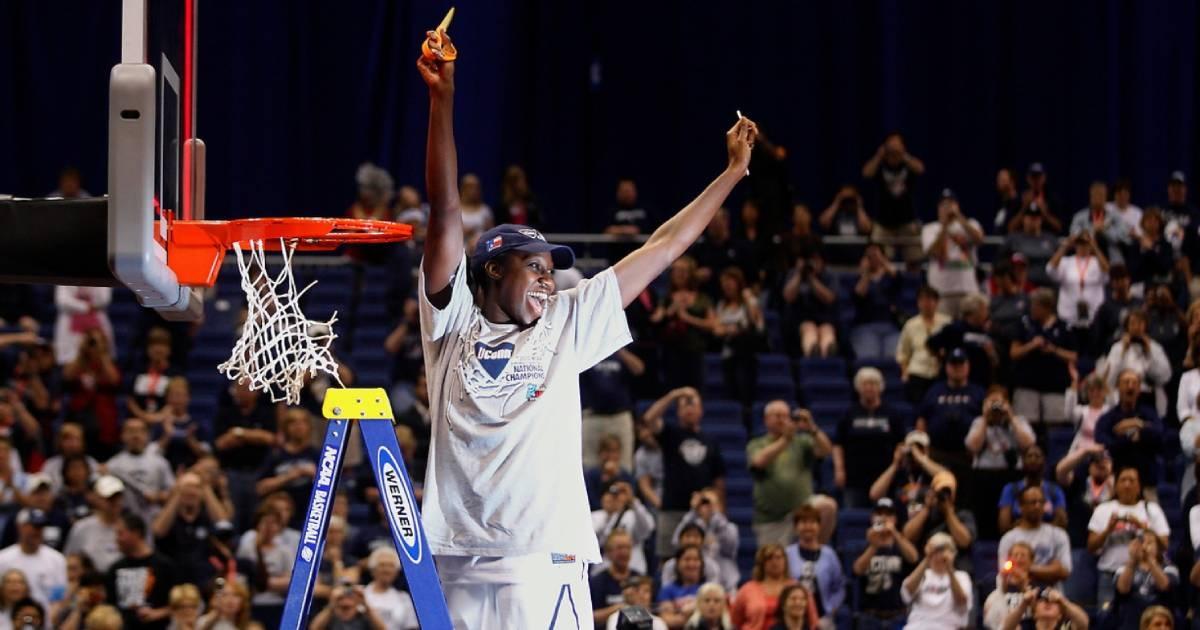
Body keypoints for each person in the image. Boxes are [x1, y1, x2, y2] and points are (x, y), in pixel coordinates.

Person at [416, 42, 757, 629]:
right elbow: (445, 211)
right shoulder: (450, 319)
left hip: (543, 555)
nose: (550, 282)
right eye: (538, 268)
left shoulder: (568, 320)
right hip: (457, 556)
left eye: (553, 270)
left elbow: (664, 246)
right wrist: (442, 101)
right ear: (495, 269)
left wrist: (731, 175)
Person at [644, 387, 727, 557]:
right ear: (679, 411)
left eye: (693, 404)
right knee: (667, 558)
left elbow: (718, 480)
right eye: (685, 405)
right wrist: (673, 395)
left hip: (702, 512)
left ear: (701, 410)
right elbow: (649, 419)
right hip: (672, 509)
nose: (689, 408)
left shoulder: (710, 441)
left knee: (701, 558)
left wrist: (720, 510)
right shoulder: (671, 434)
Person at [749, 402, 835, 546]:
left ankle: (816, 550)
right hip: (772, 518)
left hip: (802, 510)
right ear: (766, 420)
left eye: (785, 416)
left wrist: (812, 428)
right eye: (777, 416)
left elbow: (826, 450)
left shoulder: (801, 442)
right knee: (772, 562)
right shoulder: (757, 443)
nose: (782, 419)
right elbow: (759, 461)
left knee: (828, 507)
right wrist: (785, 440)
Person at [1087, 466, 1170, 610]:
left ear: (1139, 486)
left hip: (1144, 576)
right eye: (1123, 480)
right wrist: (1109, 529)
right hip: (1109, 573)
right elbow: (1091, 547)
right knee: (1106, 619)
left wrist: (1141, 526)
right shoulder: (1103, 509)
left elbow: (1164, 545)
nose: (1127, 484)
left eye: (1132, 480)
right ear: (1116, 486)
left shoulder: (1151, 509)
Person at [965, 390, 1037, 539]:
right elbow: (972, 446)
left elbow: (1029, 443)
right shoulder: (979, 422)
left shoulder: (1018, 420)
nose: (996, 407)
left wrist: (1010, 417)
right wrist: (986, 418)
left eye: (1000, 402)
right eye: (992, 402)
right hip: (984, 478)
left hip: (1011, 477)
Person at [834, 368, 905, 509]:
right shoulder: (849, 413)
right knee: (854, 518)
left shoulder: (891, 413)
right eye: (865, 384)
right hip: (854, 479)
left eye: (873, 384)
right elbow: (838, 444)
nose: (869, 388)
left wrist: (895, 468)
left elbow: (900, 443)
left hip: (884, 479)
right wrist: (839, 469)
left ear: (880, 387)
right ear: (858, 388)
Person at [151, 471, 231, 588]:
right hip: (174, 581)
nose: (191, 491)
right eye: (186, 488)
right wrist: (176, 495)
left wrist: (206, 489)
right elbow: (158, 531)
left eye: (196, 488)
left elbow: (223, 523)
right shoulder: (170, 517)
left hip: (204, 581)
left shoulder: (207, 516)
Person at [1010, 288, 1076, 426]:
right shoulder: (1025, 323)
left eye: (1035, 305)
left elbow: (1073, 356)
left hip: (1055, 385)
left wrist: (1054, 350)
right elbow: (1014, 353)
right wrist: (1032, 345)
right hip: (1027, 384)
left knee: (1055, 425)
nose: (1032, 309)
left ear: (1047, 307)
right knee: (1026, 424)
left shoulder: (1064, 326)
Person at [916, 349, 985, 478]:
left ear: (968, 366)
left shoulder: (978, 392)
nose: (957, 368)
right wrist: (923, 447)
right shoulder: (934, 391)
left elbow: (986, 421)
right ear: (947, 367)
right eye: (953, 364)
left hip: (967, 455)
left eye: (961, 364)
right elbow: (922, 419)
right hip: (937, 453)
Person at [851, 498, 918, 629]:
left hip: (897, 616)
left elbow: (914, 558)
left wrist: (895, 533)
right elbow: (857, 570)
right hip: (870, 617)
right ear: (872, 518)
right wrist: (873, 546)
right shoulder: (864, 545)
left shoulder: (901, 546)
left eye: (888, 514)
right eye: (879, 514)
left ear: (895, 519)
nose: (884, 518)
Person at [105, 512, 177, 630]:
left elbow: (181, 604)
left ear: (136, 533)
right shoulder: (115, 569)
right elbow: (110, 607)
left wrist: (157, 613)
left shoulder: (165, 566)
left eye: (120, 533)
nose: (117, 539)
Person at [862, 133, 926, 266]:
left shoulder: (907, 164)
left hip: (907, 219)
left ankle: (913, 284)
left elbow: (920, 169)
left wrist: (904, 155)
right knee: (878, 257)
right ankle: (883, 283)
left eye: (897, 144)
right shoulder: (880, 165)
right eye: (891, 144)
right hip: (883, 221)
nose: (894, 148)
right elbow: (866, 173)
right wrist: (879, 156)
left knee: (915, 259)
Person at [652, 256, 715, 389]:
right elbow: (656, 320)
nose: (679, 274)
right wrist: (670, 310)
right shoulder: (666, 298)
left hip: (695, 351)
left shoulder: (702, 298)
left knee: (696, 390)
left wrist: (687, 318)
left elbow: (712, 324)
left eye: (683, 271)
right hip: (672, 352)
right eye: (676, 270)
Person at [1095, 370, 1164, 491]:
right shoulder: (1108, 418)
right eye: (1126, 382)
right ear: (1118, 386)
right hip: (1115, 482)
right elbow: (1103, 443)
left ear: (1139, 388)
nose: (1130, 386)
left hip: (1146, 483)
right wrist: (1132, 437)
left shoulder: (1149, 414)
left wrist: (1136, 424)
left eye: (1134, 383)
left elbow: (1159, 435)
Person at [921, 189, 984, 318]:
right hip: (941, 293)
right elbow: (933, 251)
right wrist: (944, 226)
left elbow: (979, 239)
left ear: (957, 206)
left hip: (968, 291)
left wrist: (959, 217)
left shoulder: (970, 223)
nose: (947, 207)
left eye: (951, 203)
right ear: (938, 208)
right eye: (944, 204)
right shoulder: (930, 229)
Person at [255, 408, 319, 531]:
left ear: (309, 427)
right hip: (279, 520)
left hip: (309, 517)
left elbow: (332, 488)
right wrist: (290, 476)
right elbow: (260, 488)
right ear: (286, 428)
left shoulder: (317, 455)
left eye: (302, 422)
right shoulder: (276, 455)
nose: (298, 427)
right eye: (293, 423)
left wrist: (314, 475)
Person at [997, 485, 1072, 589]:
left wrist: (1026, 568)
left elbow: (1064, 572)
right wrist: (1051, 570)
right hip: (1018, 596)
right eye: (1032, 502)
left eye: (1041, 502)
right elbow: (1007, 575)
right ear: (1021, 506)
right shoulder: (1009, 539)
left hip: (1052, 598)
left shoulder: (1058, 534)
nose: (1037, 506)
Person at [581, 350, 644, 472]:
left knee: (624, 466)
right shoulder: (588, 349)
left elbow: (639, 369)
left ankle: (624, 490)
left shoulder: (619, 351)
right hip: (592, 417)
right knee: (589, 465)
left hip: (620, 416)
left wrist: (618, 348)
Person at [1099, 311, 1171, 417]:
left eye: (1140, 323)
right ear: (1127, 326)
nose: (1137, 327)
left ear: (1145, 326)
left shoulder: (1155, 348)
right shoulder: (1117, 348)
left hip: (1148, 396)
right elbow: (1109, 379)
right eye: (1133, 323)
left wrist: (1150, 353)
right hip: (1122, 396)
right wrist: (1122, 352)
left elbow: (1165, 377)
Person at [902, 471, 977, 572]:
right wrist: (927, 508)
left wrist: (948, 512)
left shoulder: (964, 514)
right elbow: (907, 536)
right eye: (941, 491)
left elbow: (964, 541)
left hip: (958, 570)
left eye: (947, 492)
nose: (944, 495)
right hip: (928, 571)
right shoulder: (925, 513)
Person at [104, 417, 175, 523]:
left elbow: (172, 492)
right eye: (131, 431)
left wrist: (157, 497)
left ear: (147, 435)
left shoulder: (160, 462)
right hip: (125, 522)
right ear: (122, 436)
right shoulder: (113, 465)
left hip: (155, 519)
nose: (136, 435)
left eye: (140, 431)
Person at [783, 506, 844, 626]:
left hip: (823, 619)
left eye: (812, 522)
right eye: (803, 522)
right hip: (793, 621)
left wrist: (831, 607)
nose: (808, 527)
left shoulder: (829, 554)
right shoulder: (787, 554)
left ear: (819, 526)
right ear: (796, 527)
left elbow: (839, 586)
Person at [712, 266, 764, 407]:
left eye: (730, 282)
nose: (726, 285)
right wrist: (730, 329)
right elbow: (717, 330)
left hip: (746, 352)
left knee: (745, 389)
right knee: (731, 390)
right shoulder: (722, 305)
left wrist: (749, 299)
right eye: (724, 282)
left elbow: (757, 324)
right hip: (728, 352)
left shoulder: (749, 302)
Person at [900, 532, 972, 630]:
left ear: (953, 553)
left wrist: (949, 568)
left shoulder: (961, 576)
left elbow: (962, 602)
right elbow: (907, 592)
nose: (939, 555)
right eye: (936, 551)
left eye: (943, 550)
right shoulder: (923, 574)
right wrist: (927, 558)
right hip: (918, 625)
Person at [869, 430, 948, 519]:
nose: (914, 452)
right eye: (911, 448)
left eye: (920, 448)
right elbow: (874, 495)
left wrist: (921, 458)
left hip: (929, 523)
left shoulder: (933, 471)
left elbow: (947, 476)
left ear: (927, 450)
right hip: (902, 522)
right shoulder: (898, 472)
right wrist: (895, 465)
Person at [1108, 530, 1179, 629]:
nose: (1144, 546)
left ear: (1158, 547)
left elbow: (1165, 587)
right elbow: (1122, 590)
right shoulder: (1124, 569)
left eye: (1149, 542)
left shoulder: (1169, 568)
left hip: (1159, 621)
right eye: (1141, 542)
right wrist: (1132, 561)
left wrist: (1150, 560)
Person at [925, 297, 998, 389]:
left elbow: (995, 361)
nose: (987, 314)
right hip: (953, 384)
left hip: (979, 384)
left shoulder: (988, 332)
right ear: (974, 312)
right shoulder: (954, 329)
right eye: (984, 310)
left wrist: (991, 354)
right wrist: (942, 358)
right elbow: (930, 343)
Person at [0, 508, 66, 609]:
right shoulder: (3, 558)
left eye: (41, 527)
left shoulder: (57, 559)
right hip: (8, 620)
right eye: (34, 526)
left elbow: (59, 597)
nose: (37, 531)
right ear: (20, 527)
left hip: (47, 620)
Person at [238, 507, 293, 628]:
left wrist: (265, 582)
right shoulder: (248, 548)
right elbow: (241, 578)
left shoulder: (284, 551)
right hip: (253, 604)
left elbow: (291, 581)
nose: (269, 527)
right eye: (265, 522)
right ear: (258, 525)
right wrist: (276, 580)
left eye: (273, 523)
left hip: (277, 604)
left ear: (279, 527)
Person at [1046, 231, 1110, 332]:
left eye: (1086, 244)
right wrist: (1065, 247)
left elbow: (1107, 273)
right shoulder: (1066, 261)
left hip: (1094, 316)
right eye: (1080, 243)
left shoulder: (1097, 262)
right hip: (1068, 315)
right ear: (1075, 245)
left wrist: (1095, 248)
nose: (1083, 247)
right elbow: (1050, 270)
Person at [895, 286, 950, 404]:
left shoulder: (947, 322)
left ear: (937, 302)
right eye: (923, 300)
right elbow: (903, 353)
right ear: (918, 303)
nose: (927, 304)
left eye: (930, 300)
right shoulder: (910, 325)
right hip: (918, 372)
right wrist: (905, 373)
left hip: (940, 372)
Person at [781, 251, 838, 357]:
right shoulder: (793, 274)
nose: (812, 263)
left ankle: (828, 358)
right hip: (800, 320)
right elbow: (788, 297)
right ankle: (813, 356)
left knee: (827, 330)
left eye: (816, 260)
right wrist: (799, 273)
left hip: (825, 319)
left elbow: (829, 298)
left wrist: (812, 278)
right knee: (809, 329)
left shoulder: (829, 275)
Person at [63, 475, 125, 573]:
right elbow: (70, 560)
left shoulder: (130, 527)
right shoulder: (81, 528)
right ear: (97, 498)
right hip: (91, 583)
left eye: (118, 497)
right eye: (109, 498)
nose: (115, 502)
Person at [591, 480, 654, 575]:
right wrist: (608, 516)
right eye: (610, 495)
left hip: (633, 568)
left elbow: (648, 528)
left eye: (618, 495)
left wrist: (633, 501)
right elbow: (590, 540)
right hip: (603, 570)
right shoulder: (596, 516)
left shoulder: (632, 515)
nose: (614, 499)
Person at [850, 244, 901, 360]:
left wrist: (881, 260)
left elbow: (898, 278)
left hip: (890, 327)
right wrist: (866, 272)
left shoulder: (889, 278)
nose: (873, 259)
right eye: (869, 256)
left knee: (893, 359)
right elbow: (858, 295)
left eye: (876, 255)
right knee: (869, 359)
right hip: (865, 327)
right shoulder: (857, 279)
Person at [731, 545, 794, 630]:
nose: (774, 562)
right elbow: (735, 621)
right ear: (762, 563)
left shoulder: (795, 588)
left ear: (785, 561)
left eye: (778, 557)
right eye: (769, 558)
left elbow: (812, 621)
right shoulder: (747, 589)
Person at [590, 530, 641, 628]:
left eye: (627, 547)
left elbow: (650, 609)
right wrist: (618, 609)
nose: (624, 552)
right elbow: (590, 616)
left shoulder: (639, 579)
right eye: (620, 548)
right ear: (608, 553)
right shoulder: (597, 582)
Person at [1069, 181, 1131, 260]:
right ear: (1090, 197)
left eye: (1101, 195)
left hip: (1111, 258)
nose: (1098, 198)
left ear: (1106, 197)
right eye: (1095, 195)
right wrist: (1092, 229)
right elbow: (1074, 235)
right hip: (1086, 257)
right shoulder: (1079, 216)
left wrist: (1104, 230)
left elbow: (1122, 236)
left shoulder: (1115, 216)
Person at [361, 548, 418, 630]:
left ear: (397, 571)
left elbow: (411, 627)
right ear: (372, 570)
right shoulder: (361, 595)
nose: (386, 570)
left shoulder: (404, 598)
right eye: (382, 565)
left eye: (391, 566)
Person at [983, 541, 1035, 630]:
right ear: (1009, 559)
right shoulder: (995, 585)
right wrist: (1003, 584)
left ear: (1031, 561)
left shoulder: (1038, 587)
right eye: (1015, 555)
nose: (1018, 559)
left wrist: (1024, 585)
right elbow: (989, 622)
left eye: (1023, 555)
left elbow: (1038, 614)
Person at [1004, 204, 1058, 287]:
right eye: (1030, 217)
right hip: (1022, 286)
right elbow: (1001, 262)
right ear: (1023, 219)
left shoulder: (1050, 239)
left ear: (1041, 219)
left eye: (1036, 218)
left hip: (1048, 285)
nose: (1033, 221)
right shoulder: (1013, 239)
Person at [657, 545, 707, 627]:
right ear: (678, 563)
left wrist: (693, 608)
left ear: (701, 563)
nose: (691, 564)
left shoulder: (708, 589)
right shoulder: (667, 590)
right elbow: (667, 620)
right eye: (687, 559)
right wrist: (697, 613)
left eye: (696, 559)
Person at [584, 436, 639, 511]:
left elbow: (630, 500)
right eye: (607, 451)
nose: (610, 456)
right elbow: (589, 501)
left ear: (619, 454)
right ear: (599, 453)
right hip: (596, 515)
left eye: (614, 451)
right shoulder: (590, 476)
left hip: (621, 515)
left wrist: (616, 477)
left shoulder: (627, 477)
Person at [998, 587, 1090, 630]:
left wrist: (1062, 601)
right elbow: (1007, 628)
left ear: (1060, 615)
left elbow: (1083, 623)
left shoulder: (1065, 627)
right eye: (1042, 600)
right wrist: (1024, 604)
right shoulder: (1025, 626)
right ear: (1034, 613)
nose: (1048, 602)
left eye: (1054, 602)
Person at [1065, 373, 1112, 455]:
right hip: (1081, 452)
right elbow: (1068, 414)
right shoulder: (1081, 411)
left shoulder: (1109, 410)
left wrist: (1106, 384)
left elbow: (1115, 402)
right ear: (1086, 393)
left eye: (1099, 390)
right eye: (1091, 390)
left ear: (1104, 391)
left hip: (1104, 451)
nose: (1095, 393)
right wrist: (1074, 385)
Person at [605, 576, 669, 630]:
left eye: (647, 591)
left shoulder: (657, 622)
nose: (644, 596)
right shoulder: (616, 617)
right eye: (637, 590)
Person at [310, 585, 387, 630]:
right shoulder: (330, 617)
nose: (346, 602)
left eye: (350, 597)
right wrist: (331, 604)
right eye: (341, 598)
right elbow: (314, 628)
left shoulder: (363, 617)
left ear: (357, 602)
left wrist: (365, 603)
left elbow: (382, 628)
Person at [196, 579, 263, 630]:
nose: (230, 600)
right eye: (225, 595)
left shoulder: (249, 626)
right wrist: (215, 613)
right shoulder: (205, 620)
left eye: (236, 595)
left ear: (243, 601)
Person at [458, 173, 494, 248]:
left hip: (482, 251)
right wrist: (461, 232)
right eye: (470, 187)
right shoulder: (456, 211)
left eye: (476, 187)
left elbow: (493, 236)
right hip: (460, 251)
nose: (474, 190)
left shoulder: (485, 210)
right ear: (463, 189)